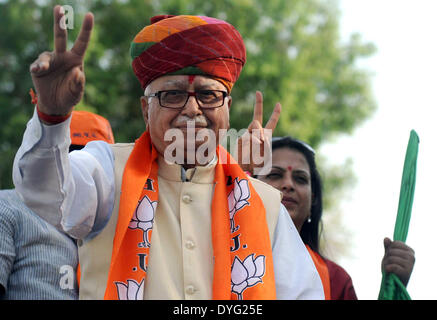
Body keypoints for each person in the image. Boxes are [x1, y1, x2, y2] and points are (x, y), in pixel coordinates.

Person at [12, 6, 324, 300]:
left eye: (208, 95)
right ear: (146, 110)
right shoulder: (107, 171)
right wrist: (51, 118)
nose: (191, 109)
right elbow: (45, 193)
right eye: (172, 94)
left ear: (227, 109)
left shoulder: (263, 204)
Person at [254, 136, 416, 300]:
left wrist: (394, 286)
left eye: (300, 179)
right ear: (249, 187)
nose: (288, 184)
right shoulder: (228, 251)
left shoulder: (335, 280)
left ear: (313, 201)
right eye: (274, 174)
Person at [0, 110, 114, 300]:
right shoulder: (8, 208)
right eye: (68, 156)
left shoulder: (120, 225)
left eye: (92, 165)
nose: (81, 173)